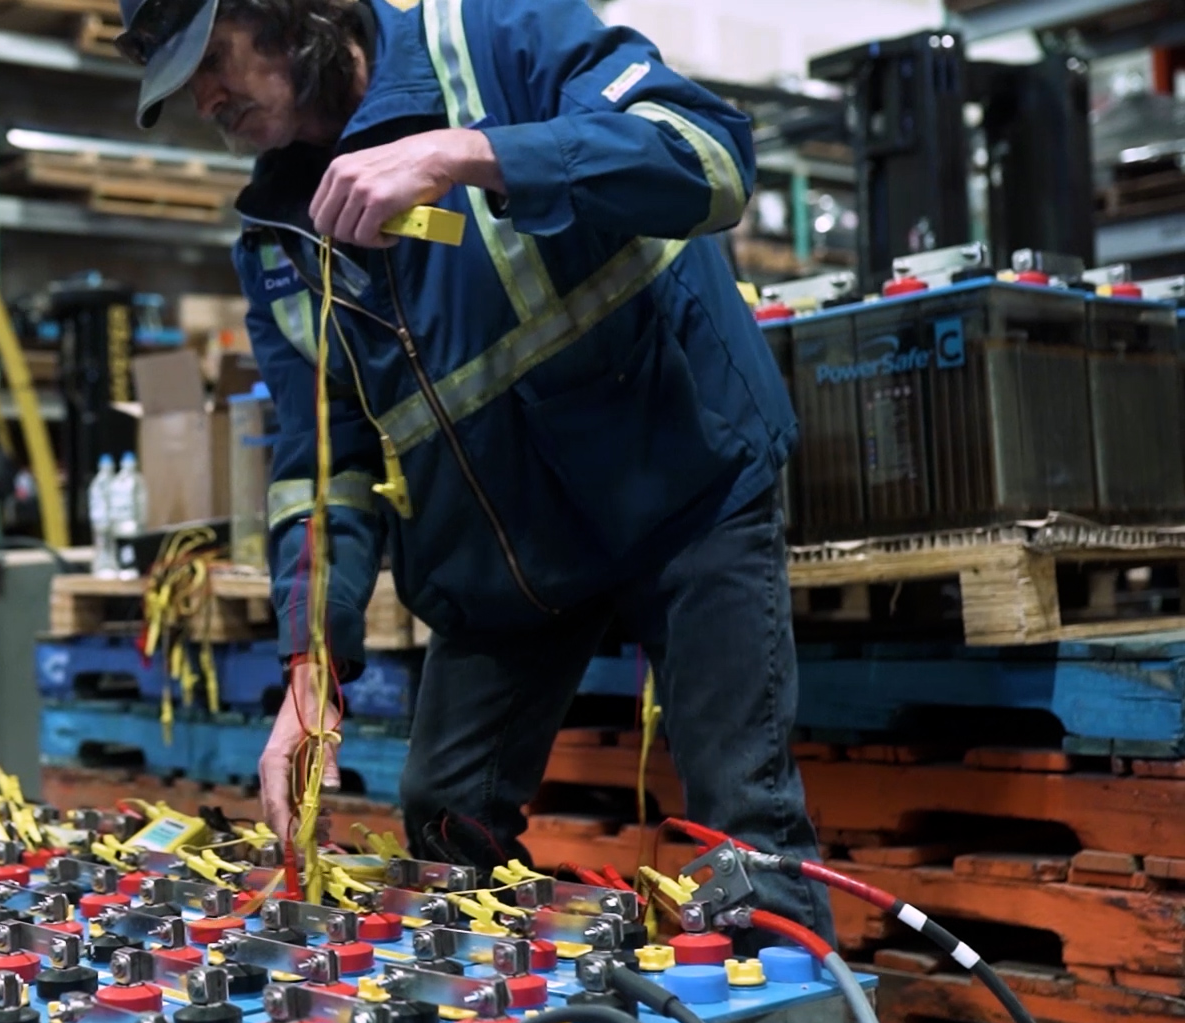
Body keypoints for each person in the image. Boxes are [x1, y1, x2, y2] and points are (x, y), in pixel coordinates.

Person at [114, 0, 832, 939]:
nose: (203, 96)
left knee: (746, 842)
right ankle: (540, 1019)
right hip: (509, 551)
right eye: (179, 80)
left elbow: (710, 159)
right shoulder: (280, 242)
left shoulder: (497, 39)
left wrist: (468, 155)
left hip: (685, 485)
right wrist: (309, 677)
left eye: (211, 55)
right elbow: (320, 469)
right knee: (448, 821)